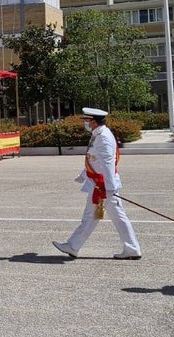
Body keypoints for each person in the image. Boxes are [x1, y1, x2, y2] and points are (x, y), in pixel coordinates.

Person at [52, 108, 142, 260]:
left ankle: (74, 245)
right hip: (99, 183)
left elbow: (107, 163)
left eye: (87, 121)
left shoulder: (103, 137)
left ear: (94, 122)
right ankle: (74, 245)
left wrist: (110, 188)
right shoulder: (98, 135)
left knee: (107, 217)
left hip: (103, 186)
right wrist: (83, 174)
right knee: (95, 217)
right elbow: (95, 159)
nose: (86, 124)